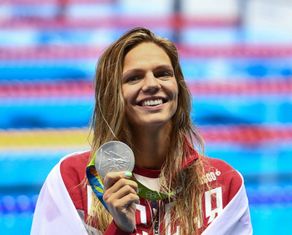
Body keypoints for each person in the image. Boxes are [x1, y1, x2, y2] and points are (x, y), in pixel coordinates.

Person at [31, 27, 252, 235]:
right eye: (134, 77)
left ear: (179, 87)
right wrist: (120, 228)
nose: (152, 84)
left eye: (163, 73)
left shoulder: (224, 185)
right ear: (112, 95)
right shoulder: (72, 180)